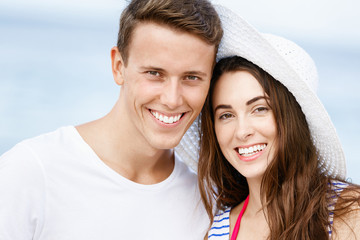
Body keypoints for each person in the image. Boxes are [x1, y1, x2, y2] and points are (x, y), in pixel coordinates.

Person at [0, 0, 223, 239]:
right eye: (154, 73)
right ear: (118, 66)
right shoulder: (31, 172)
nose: (171, 99)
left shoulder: (207, 203)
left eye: (191, 77)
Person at [193, 5, 360, 240]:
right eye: (226, 115)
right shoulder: (218, 231)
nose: (242, 131)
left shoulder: (347, 212)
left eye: (259, 109)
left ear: (290, 117)